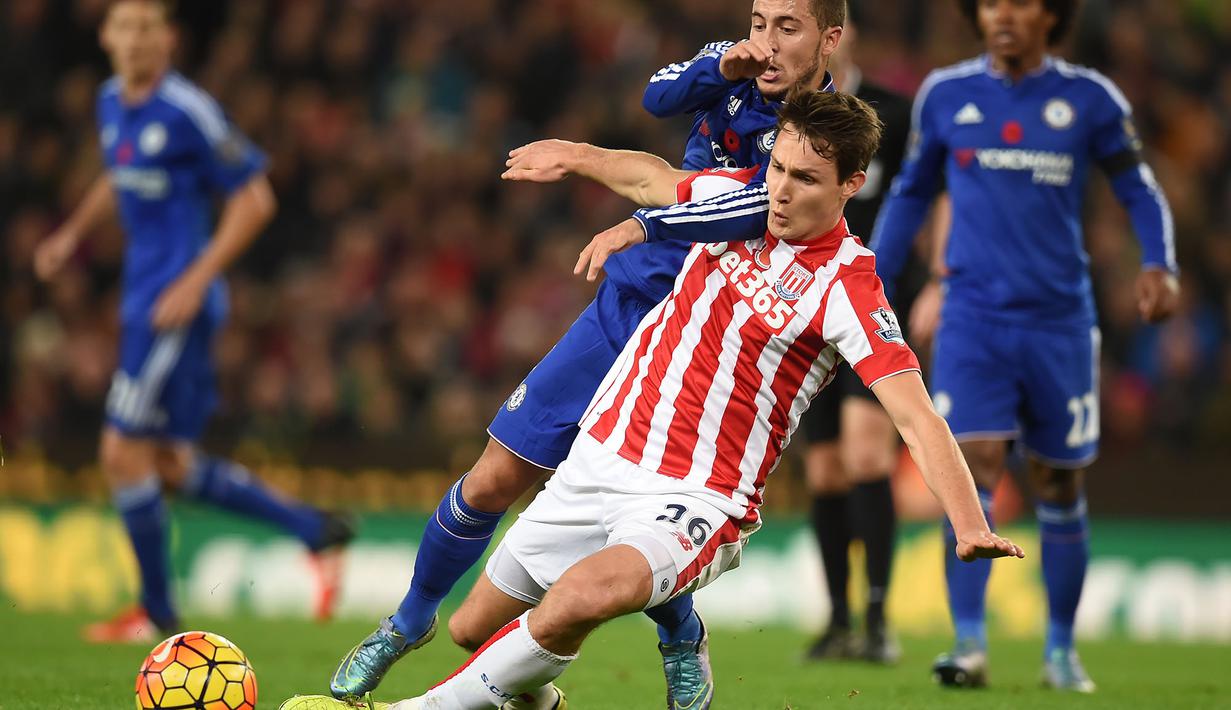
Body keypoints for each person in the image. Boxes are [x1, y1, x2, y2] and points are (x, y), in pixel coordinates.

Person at [283, 90, 1024, 710]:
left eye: (804, 178)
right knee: (474, 630)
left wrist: (967, 522)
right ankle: (597, 669)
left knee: (575, 601)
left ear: (851, 184)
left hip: (697, 494)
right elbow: (650, 177)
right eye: (776, 168)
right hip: (600, 459)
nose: (781, 189)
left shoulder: (849, 287)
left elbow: (914, 414)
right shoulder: (736, 202)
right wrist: (576, 155)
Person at [326, 2, 846, 705]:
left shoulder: (822, 135)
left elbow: (746, 210)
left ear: (829, 40)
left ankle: (679, 635)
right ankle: (405, 622)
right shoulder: (736, 65)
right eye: (759, 20)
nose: (768, 40)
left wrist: (643, 222)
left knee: (642, 507)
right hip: (625, 307)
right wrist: (721, 63)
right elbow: (656, 97)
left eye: (788, 26)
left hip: (699, 335)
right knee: (490, 478)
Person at [870, 0, 1179, 692]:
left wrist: (1158, 263)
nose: (1003, 16)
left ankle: (1061, 649)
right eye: (989, 4)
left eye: (1021, 3)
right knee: (972, 466)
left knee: (1056, 480)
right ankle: (969, 643)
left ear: (1052, 16)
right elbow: (912, 193)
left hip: (1059, 323)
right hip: (972, 319)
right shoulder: (945, 95)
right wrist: (871, 278)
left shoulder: (1089, 100)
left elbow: (1136, 186)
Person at [31, 0, 353, 643]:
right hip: (142, 301)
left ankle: (156, 612)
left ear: (169, 39)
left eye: (148, 27)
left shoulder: (188, 110)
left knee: (121, 452)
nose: (135, 39)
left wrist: (197, 276)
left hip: (174, 305)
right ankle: (318, 533)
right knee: (169, 463)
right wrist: (71, 234)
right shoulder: (110, 101)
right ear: (105, 36)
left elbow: (255, 197)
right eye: (124, 26)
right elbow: (118, 176)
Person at [793, 10, 931, 664]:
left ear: (838, 38)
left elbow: (930, 197)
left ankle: (878, 619)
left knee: (866, 455)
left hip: (875, 301)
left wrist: (938, 278)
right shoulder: (788, 118)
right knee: (823, 470)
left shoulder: (895, 114)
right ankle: (838, 618)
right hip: (802, 309)